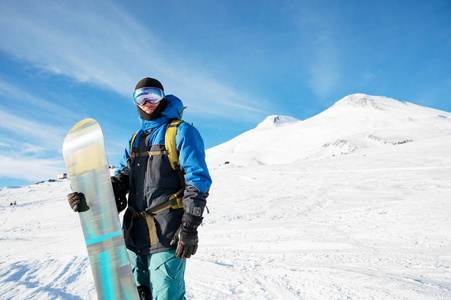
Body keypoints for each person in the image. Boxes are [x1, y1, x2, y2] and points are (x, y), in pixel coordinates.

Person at [68, 77, 212, 300]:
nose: (147, 102)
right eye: (140, 97)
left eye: (153, 95)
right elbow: (124, 177)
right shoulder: (135, 139)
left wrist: (190, 226)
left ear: (162, 97)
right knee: (136, 295)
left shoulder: (181, 132)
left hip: (167, 233)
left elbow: (198, 180)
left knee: (167, 295)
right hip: (133, 234)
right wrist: (90, 196)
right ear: (135, 102)